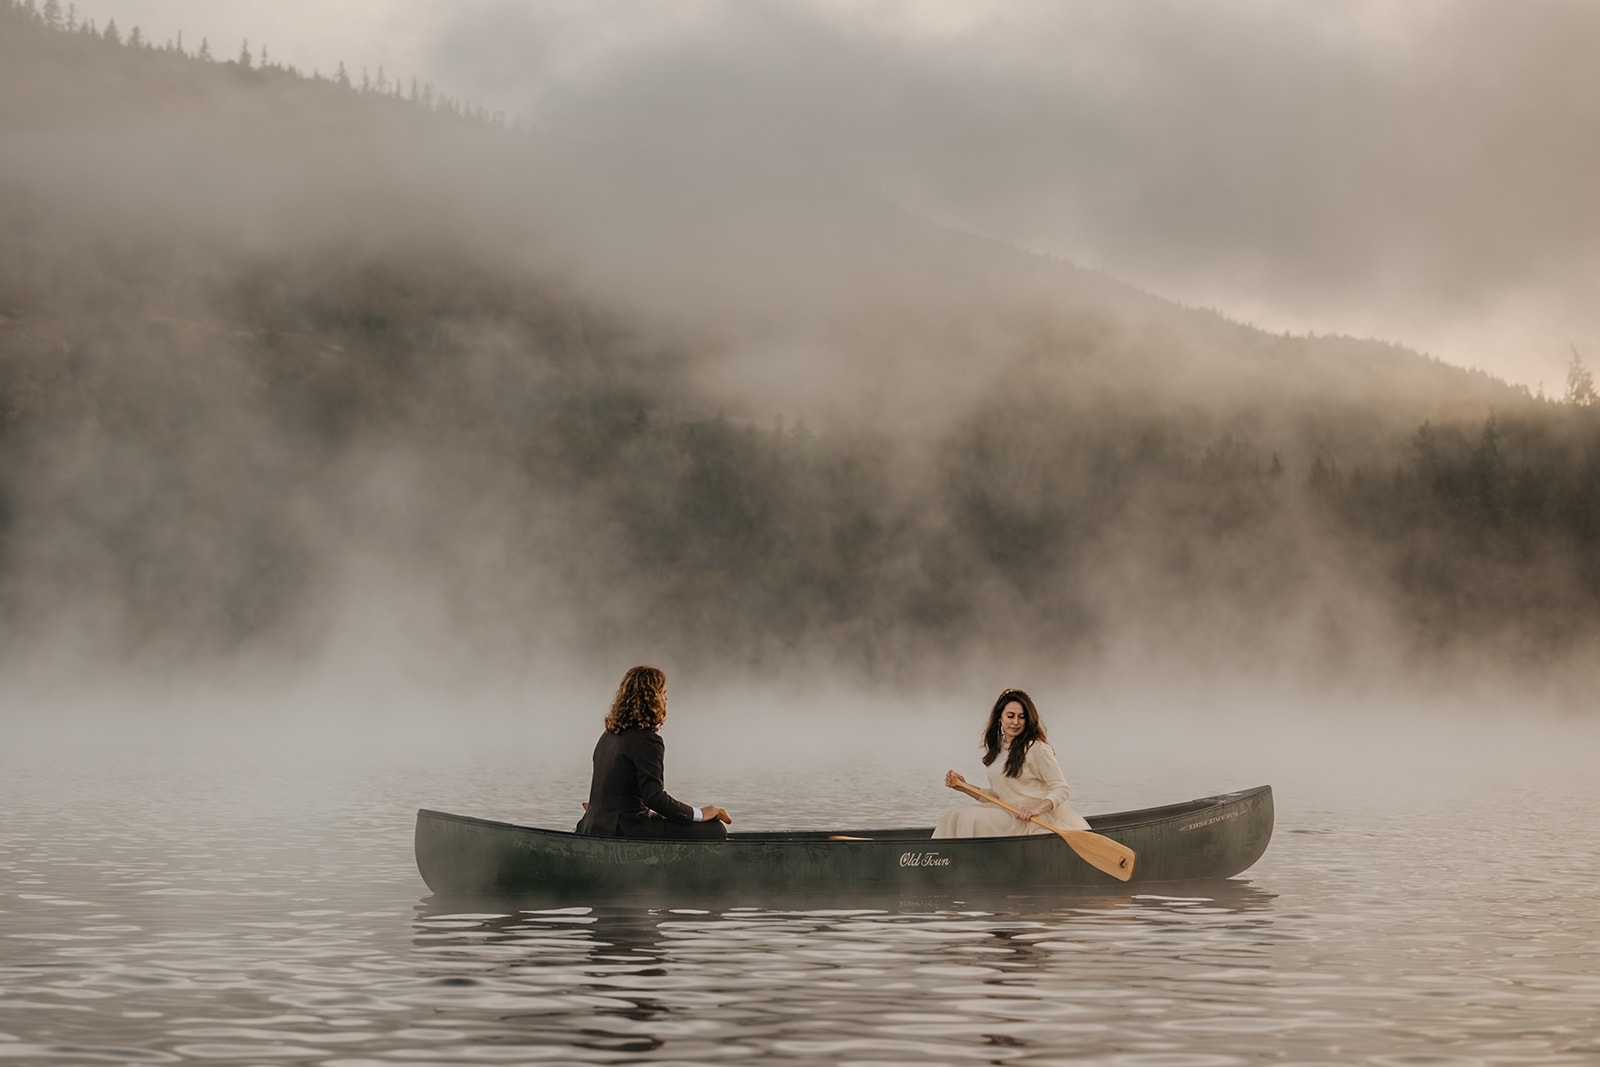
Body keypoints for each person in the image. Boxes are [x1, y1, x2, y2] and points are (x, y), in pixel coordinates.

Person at [575, 665, 729, 840]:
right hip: (626, 829)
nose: (666, 698)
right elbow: (654, 797)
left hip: (591, 825)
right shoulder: (648, 741)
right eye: (663, 693)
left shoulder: (608, 736)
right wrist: (699, 814)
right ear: (651, 699)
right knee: (716, 830)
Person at [932, 688, 1090, 839]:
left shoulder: (1037, 749)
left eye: (1021, 717)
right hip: (1005, 812)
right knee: (953, 815)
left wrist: (1035, 809)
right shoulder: (999, 748)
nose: (1016, 722)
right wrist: (965, 787)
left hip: (1030, 818)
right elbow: (998, 796)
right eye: (1010, 716)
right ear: (1000, 717)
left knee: (971, 818)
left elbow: (1061, 789)